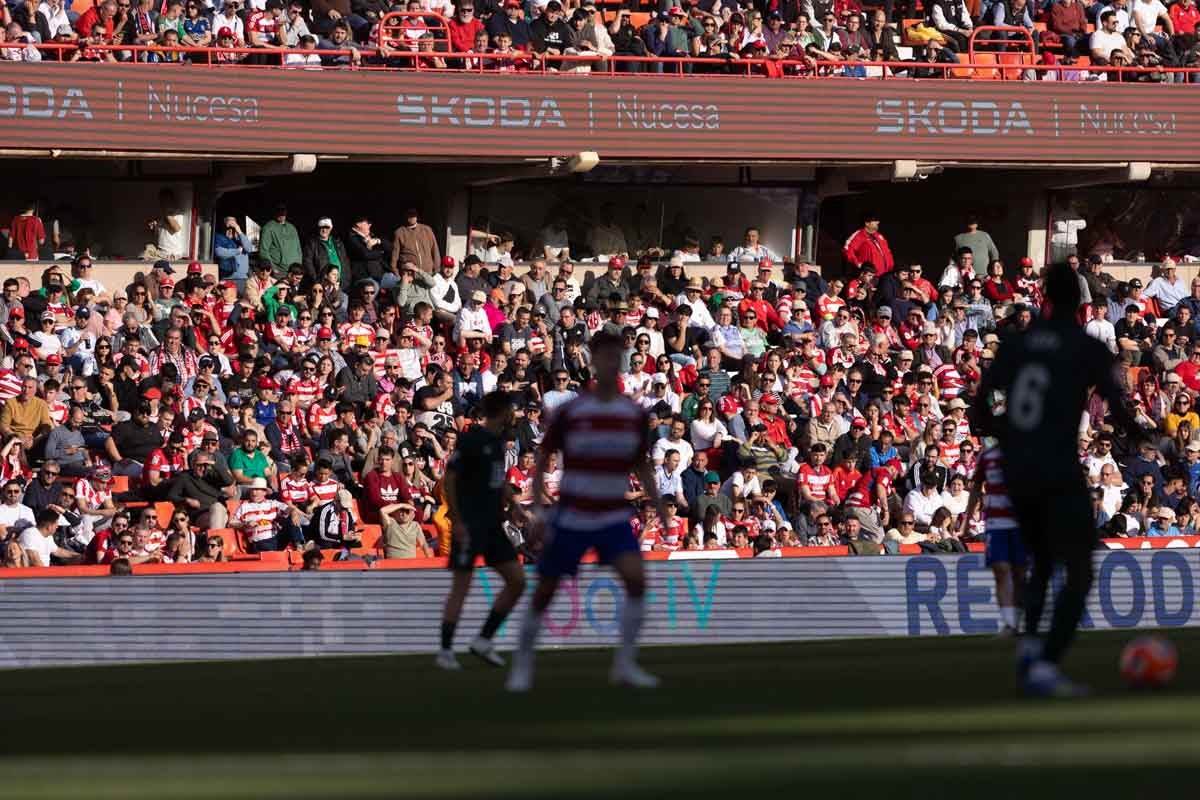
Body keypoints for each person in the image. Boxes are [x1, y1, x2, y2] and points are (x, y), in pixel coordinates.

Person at [975, 263, 1145, 697]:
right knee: (1080, 571)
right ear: (1081, 302)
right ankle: (1047, 664)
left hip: (1017, 468)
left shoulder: (1016, 344)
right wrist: (1151, 436)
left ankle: (1030, 652)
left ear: (1046, 297)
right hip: (1057, 466)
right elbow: (1120, 410)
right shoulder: (1085, 347)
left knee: (1043, 562)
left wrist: (1015, 436)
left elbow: (980, 413)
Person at [508, 331, 669, 692]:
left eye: (616, 355)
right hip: (574, 514)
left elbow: (640, 463)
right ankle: (522, 664)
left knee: (637, 582)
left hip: (612, 514)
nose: (610, 361)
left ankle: (625, 664)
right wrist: (536, 513)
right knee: (546, 589)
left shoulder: (632, 413)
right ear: (593, 360)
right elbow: (542, 459)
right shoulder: (572, 410)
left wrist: (657, 502)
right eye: (604, 355)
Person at [437, 389, 527, 670]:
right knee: (461, 587)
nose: (514, 413)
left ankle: (484, 639)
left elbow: (497, 480)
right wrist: (458, 519)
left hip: (492, 523)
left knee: (517, 580)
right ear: (502, 411)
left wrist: (514, 504)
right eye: (511, 409)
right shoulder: (472, 438)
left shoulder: (499, 441)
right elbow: (450, 479)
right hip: (470, 522)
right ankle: (445, 650)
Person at [962, 445, 1025, 637]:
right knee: (1001, 570)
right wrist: (966, 520)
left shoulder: (1025, 451)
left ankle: (1019, 621)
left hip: (1021, 522)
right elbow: (975, 487)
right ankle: (1009, 624)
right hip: (995, 523)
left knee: (1019, 573)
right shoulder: (987, 455)